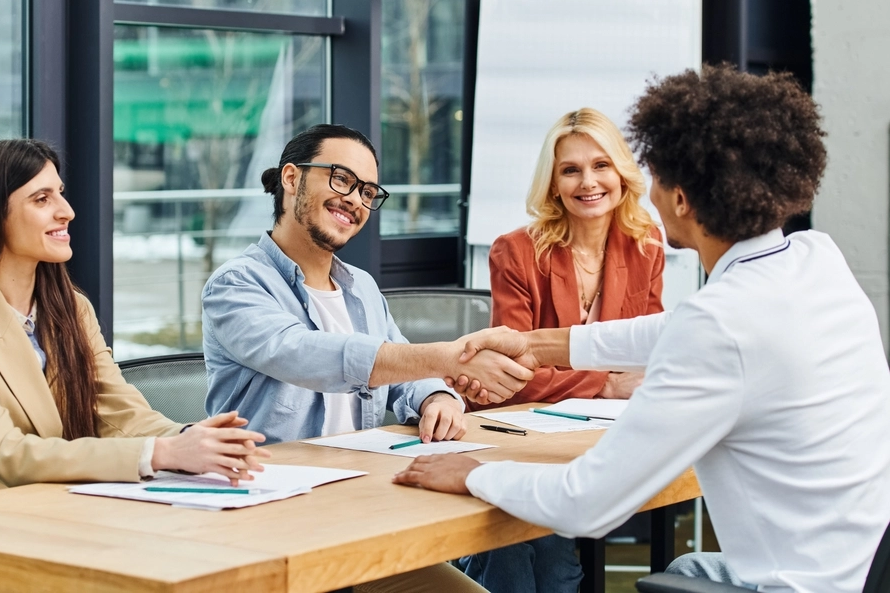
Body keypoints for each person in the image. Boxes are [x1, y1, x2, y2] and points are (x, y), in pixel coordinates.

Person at [395, 64, 890, 593]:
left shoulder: (719, 323)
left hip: (788, 586)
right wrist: (534, 344)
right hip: (858, 567)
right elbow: (668, 328)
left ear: (681, 199)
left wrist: (470, 472)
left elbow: (587, 503)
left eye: (652, 176)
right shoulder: (816, 259)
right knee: (684, 572)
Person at [202, 123, 521, 592]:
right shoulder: (237, 285)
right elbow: (306, 356)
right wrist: (448, 359)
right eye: (341, 179)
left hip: (364, 508)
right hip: (274, 525)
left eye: (368, 190)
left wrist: (437, 397)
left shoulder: (361, 287)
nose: (355, 198)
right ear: (291, 179)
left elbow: (403, 371)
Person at [0, 139, 269, 507]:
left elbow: (117, 411)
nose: (67, 211)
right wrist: (164, 452)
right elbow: (5, 453)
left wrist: (192, 438)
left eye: (60, 192)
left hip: (54, 510)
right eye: (42, 199)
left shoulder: (71, 308)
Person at [459, 109, 665, 593]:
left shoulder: (646, 245)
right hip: (520, 438)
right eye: (570, 170)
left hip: (601, 439)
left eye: (601, 166)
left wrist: (620, 381)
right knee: (528, 555)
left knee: (549, 558)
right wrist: (606, 382)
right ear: (552, 183)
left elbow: (649, 358)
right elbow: (507, 377)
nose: (588, 182)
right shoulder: (516, 251)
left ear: (621, 173)